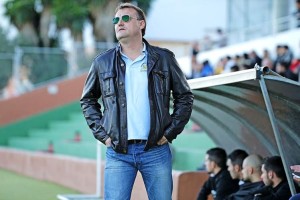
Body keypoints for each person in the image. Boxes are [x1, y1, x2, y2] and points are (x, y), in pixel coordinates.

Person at [80, 3, 194, 200]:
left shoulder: (164, 58)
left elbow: (185, 97)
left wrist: (170, 132)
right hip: (118, 152)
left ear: (141, 24)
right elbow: (87, 100)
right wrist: (104, 135)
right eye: (116, 20)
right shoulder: (102, 62)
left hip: (156, 150)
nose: (119, 23)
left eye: (125, 18)